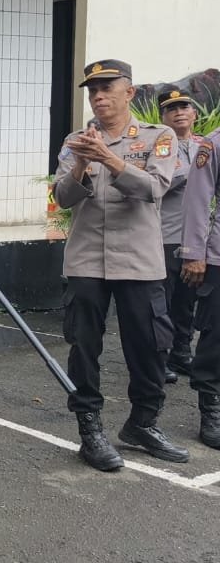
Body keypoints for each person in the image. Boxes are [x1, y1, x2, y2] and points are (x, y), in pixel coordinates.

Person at [53, 59, 188, 472]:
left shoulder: (158, 136)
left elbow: (154, 187)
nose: (98, 96)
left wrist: (109, 159)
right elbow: (63, 198)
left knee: (149, 345)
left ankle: (142, 423)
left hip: (138, 260)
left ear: (129, 93)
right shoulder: (76, 141)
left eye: (107, 88)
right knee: (83, 347)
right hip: (87, 259)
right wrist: (82, 162)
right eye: (93, 90)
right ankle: (89, 429)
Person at [176, 90, 220, 451]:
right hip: (219, 258)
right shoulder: (214, 144)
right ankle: (211, 409)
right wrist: (194, 253)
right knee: (216, 336)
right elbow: (197, 198)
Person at [155, 86, 202, 385]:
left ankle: (181, 353)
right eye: (171, 109)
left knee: (187, 300)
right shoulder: (159, 146)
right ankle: (158, 357)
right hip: (166, 235)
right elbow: (157, 183)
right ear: (163, 117)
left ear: (194, 113)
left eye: (184, 107)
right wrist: (196, 173)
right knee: (162, 301)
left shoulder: (204, 145)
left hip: (197, 237)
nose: (179, 112)